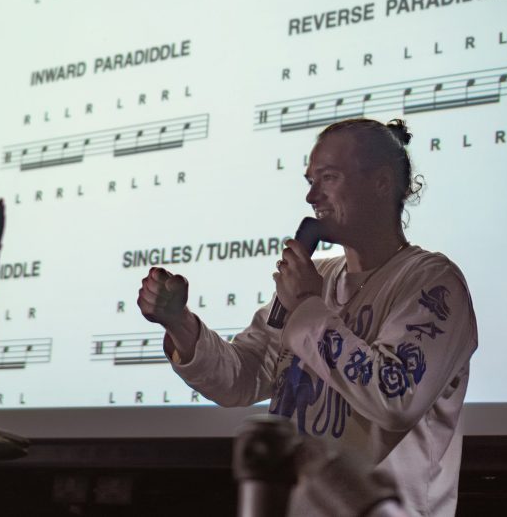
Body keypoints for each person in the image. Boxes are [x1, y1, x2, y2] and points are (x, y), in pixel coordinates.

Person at [138, 118, 477, 517]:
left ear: (382, 183)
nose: (311, 196)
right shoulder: (319, 278)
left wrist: (307, 307)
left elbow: (394, 396)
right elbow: (241, 378)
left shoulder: (432, 281)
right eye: (310, 180)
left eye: (328, 178)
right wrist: (179, 323)